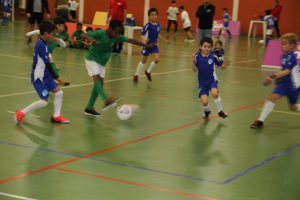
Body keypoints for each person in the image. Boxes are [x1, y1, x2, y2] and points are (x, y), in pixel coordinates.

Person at [82, 20, 156, 116]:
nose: (117, 35)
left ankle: (89, 107)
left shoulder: (116, 37)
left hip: (101, 63)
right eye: (116, 32)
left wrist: (146, 45)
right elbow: (84, 35)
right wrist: (92, 40)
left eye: (119, 33)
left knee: (99, 85)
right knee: (97, 80)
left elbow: (131, 40)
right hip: (92, 59)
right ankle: (106, 100)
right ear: (110, 28)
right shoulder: (100, 33)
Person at [15, 21, 70, 124]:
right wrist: (57, 77)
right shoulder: (40, 45)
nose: (53, 36)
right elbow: (48, 64)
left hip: (46, 76)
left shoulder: (44, 42)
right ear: (45, 34)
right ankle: (21, 113)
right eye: (52, 34)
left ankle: (56, 116)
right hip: (39, 78)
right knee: (44, 102)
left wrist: (59, 40)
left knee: (59, 93)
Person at [251, 33, 300, 129]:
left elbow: (287, 71)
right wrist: (278, 79)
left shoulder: (292, 56)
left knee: (293, 107)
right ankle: (260, 121)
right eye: (282, 44)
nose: (282, 46)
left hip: (293, 86)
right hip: (283, 84)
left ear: (292, 46)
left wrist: (272, 76)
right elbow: (283, 70)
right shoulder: (284, 56)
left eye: (284, 44)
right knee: (272, 98)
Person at [192, 37, 228, 120]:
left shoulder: (213, 56)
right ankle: (207, 111)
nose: (207, 48)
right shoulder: (197, 57)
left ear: (211, 48)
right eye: (205, 46)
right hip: (202, 83)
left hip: (212, 80)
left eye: (209, 47)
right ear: (201, 47)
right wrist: (192, 61)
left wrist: (225, 65)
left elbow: (221, 65)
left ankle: (220, 111)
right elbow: (194, 69)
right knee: (204, 102)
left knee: (215, 94)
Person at [133, 8, 169, 83]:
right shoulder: (147, 26)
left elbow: (157, 34)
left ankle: (148, 71)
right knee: (144, 61)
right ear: (149, 16)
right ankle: (136, 75)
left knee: (157, 59)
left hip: (154, 45)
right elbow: (142, 35)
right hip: (147, 45)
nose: (154, 16)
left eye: (155, 15)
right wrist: (144, 40)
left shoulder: (158, 25)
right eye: (152, 15)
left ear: (157, 16)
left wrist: (165, 40)